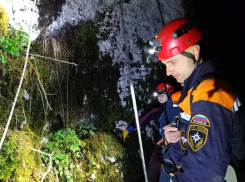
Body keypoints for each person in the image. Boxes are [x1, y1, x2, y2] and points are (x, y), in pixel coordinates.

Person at [154, 18, 240, 182]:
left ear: (194, 52)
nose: (168, 71)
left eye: (172, 61)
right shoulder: (195, 90)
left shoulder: (210, 93)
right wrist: (175, 138)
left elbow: (204, 173)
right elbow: (195, 137)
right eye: (165, 64)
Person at [122, 83, 174, 182]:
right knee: (151, 174)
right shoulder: (157, 109)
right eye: (158, 95)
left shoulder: (178, 109)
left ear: (170, 94)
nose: (159, 97)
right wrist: (128, 129)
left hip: (175, 149)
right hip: (161, 147)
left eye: (162, 95)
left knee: (170, 176)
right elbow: (143, 118)